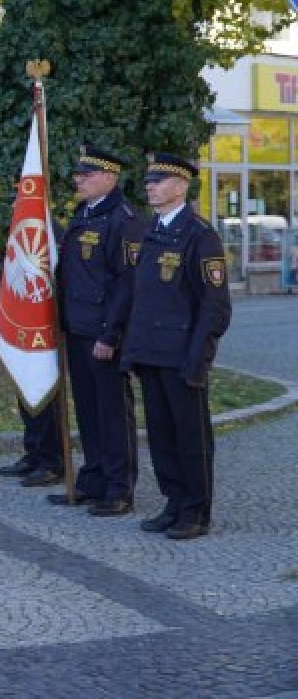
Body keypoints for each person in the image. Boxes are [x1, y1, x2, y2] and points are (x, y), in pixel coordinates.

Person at [121, 152, 232, 540]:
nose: (150, 186)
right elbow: (143, 298)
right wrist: (132, 351)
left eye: (159, 180)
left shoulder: (200, 236)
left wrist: (198, 358)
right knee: (162, 434)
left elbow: (215, 307)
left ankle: (196, 510)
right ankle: (173, 501)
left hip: (182, 356)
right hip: (152, 353)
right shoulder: (152, 232)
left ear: (181, 186)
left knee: (191, 437)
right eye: (149, 180)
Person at [50, 144, 144, 515]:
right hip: (78, 326)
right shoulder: (84, 213)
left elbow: (126, 283)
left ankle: (119, 488)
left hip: (103, 332)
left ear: (108, 177)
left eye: (86, 175)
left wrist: (110, 334)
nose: (78, 180)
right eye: (78, 174)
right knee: (88, 408)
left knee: (112, 412)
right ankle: (93, 478)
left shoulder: (123, 219)